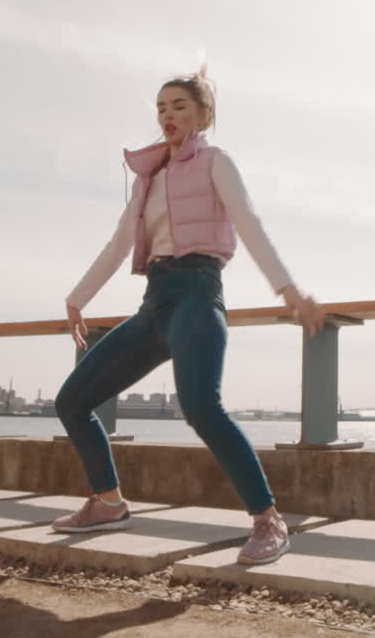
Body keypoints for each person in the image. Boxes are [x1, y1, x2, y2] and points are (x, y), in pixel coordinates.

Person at [51, 64, 326, 565]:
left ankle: (268, 519)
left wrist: (289, 289)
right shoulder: (148, 177)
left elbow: (248, 222)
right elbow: (119, 244)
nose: (167, 115)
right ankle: (108, 502)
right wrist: (77, 298)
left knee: (200, 406)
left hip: (198, 295)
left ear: (202, 114)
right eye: (160, 107)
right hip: (154, 305)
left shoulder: (216, 161)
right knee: (72, 401)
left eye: (179, 106)